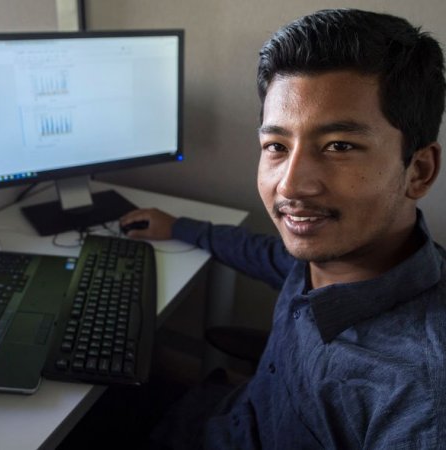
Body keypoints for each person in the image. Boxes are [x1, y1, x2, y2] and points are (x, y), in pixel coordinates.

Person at [120, 8, 446, 449]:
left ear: (419, 171)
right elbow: (257, 251)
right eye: (277, 145)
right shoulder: (327, 255)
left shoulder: (419, 395)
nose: (290, 184)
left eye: (339, 146)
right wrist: (177, 226)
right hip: (214, 418)